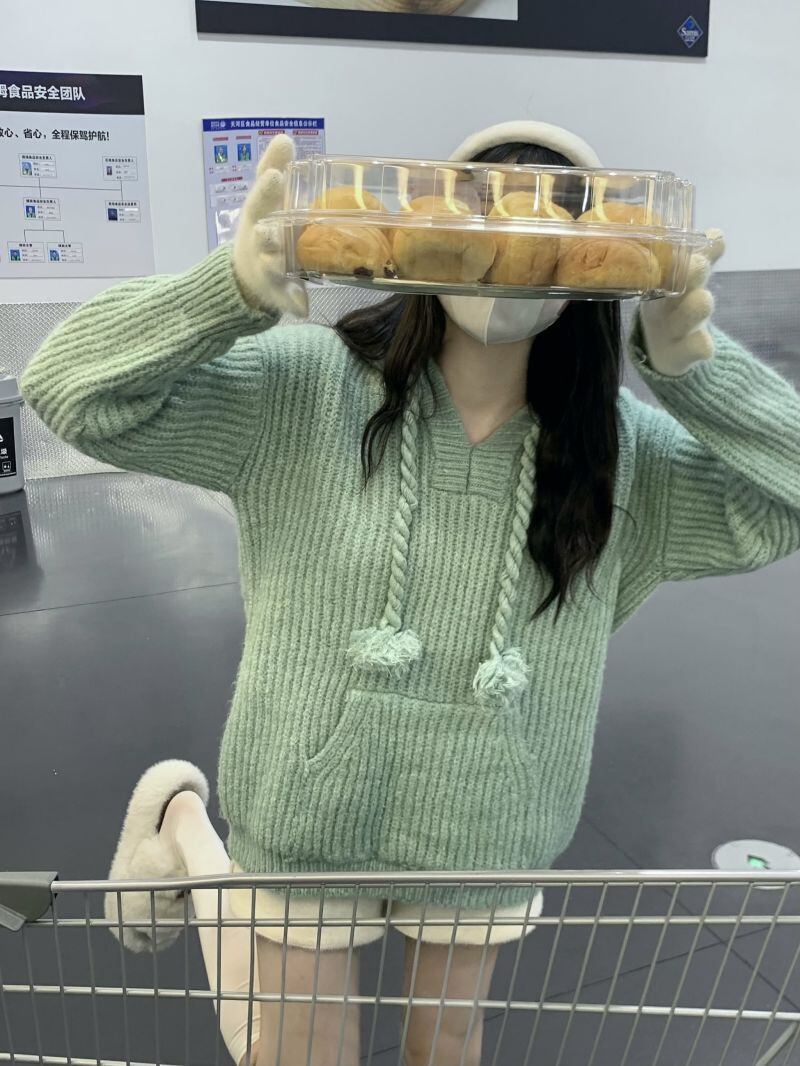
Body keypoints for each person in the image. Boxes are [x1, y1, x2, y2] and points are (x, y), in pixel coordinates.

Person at [21, 120, 800, 1066]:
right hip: (307, 807)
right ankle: (185, 824)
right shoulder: (304, 390)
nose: (507, 260)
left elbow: (785, 498)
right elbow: (69, 388)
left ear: (589, 268)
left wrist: (692, 369)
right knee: (298, 1051)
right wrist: (223, 292)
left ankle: (184, 827)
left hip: (491, 823)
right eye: (481, 219)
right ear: (429, 234)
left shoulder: (621, 454)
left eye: (547, 231)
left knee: (448, 1043)